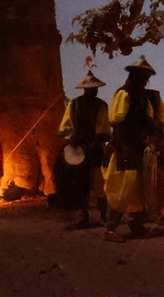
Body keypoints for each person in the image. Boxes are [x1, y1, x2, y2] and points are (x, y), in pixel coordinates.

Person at [103, 56, 164, 242]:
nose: (146, 80)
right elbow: (117, 120)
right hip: (124, 146)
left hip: (139, 146)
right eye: (143, 76)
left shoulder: (144, 97)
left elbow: (147, 120)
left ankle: (137, 225)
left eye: (147, 77)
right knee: (124, 185)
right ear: (134, 75)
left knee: (140, 186)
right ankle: (110, 227)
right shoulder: (124, 94)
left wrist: (153, 135)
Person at [55, 70, 110, 228]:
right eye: (92, 88)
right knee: (78, 183)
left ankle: (103, 214)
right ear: (86, 89)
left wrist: (95, 141)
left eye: (95, 89)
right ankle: (83, 215)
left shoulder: (100, 105)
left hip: (94, 146)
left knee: (99, 181)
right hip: (78, 146)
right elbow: (67, 124)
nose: (94, 91)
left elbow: (103, 127)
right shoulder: (75, 104)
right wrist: (71, 137)